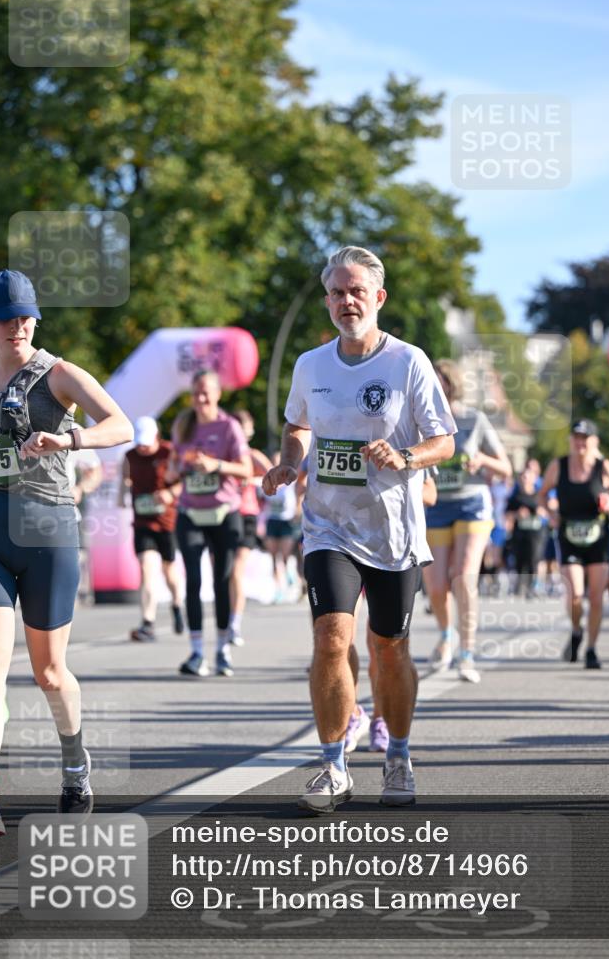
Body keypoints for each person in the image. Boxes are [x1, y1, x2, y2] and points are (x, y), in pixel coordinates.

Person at [263, 246, 456, 814]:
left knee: (388, 650)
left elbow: (444, 440)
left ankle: (397, 754)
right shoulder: (310, 365)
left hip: (393, 534)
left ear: (378, 298)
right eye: (337, 292)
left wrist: (406, 456)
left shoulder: (408, 362)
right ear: (327, 301)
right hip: (328, 525)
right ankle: (332, 765)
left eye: (357, 291)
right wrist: (290, 462)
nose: (347, 301)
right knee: (330, 639)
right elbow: (297, 425)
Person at [0, 270, 132, 837]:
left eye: (25, 316)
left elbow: (119, 425)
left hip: (47, 533)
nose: (17, 326)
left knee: (47, 671)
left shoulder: (58, 373)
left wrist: (68, 439)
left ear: (36, 317)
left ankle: (74, 763)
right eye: (4, 316)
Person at [422, 359, 512, 684]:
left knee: (463, 578)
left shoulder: (474, 420)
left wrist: (482, 459)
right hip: (435, 507)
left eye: (439, 381)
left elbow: (506, 469)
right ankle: (446, 636)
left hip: (472, 505)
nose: (434, 386)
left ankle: (467, 653)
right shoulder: (422, 420)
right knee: (435, 587)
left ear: (450, 383)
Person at [345, 468, 439, 755]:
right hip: (341, 540)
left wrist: (385, 493)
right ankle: (351, 713)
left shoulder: (409, 429)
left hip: (391, 548)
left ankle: (381, 718)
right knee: (337, 638)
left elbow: (430, 494)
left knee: (380, 644)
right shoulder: (335, 425)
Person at [169, 370, 252, 678]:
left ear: (218, 394)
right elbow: (173, 468)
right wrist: (179, 468)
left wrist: (215, 465)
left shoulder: (229, 426)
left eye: (206, 392)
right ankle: (196, 652)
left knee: (221, 581)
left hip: (223, 513)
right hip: (190, 512)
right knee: (192, 581)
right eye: (196, 393)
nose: (201, 398)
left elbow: (245, 468)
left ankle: (221, 650)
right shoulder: (183, 425)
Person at [537, 419, 609, 669]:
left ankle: (592, 649)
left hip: (598, 534)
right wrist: (550, 515)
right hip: (568, 533)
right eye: (576, 437)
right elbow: (541, 495)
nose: (580, 442)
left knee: (595, 597)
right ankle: (576, 630)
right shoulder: (558, 466)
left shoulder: (604, 467)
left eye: (585, 438)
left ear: (594, 442)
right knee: (575, 594)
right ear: (571, 441)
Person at [120, 416, 185, 641]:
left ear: (157, 437)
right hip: (142, 521)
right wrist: (122, 495)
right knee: (147, 568)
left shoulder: (169, 452)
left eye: (147, 443)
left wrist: (170, 493)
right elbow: (125, 479)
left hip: (168, 521)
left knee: (169, 570)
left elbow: (184, 480)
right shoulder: (129, 456)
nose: (143, 448)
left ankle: (177, 605)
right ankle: (147, 622)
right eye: (139, 443)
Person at [228, 409, 271, 645]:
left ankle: (235, 623)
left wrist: (251, 480)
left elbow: (276, 479)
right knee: (223, 573)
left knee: (236, 570)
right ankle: (225, 620)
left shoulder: (252, 455)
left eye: (243, 430)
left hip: (246, 514)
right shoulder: (223, 455)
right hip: (223, 515)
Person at [264, 451, 302, 603]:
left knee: (285, 555)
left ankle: (290, 578)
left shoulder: (290, 481)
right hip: (272, 520)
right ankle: (278, 589)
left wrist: (298, 510)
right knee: (274, 557)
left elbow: (300, 492)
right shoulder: (268, 480)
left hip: (287, 521)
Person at [67, 440, 102, 605]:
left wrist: (79, 489)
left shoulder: (70, 427)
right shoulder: (1, 419)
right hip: (14, 516)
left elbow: (95, 471)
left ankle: (79, 593)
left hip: (62, 515)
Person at [505, 462, 548, 597]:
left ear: (534, 478)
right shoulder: (515, 497)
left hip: (536, 533)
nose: (524, 479)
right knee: (519, 559)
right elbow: (507, 514)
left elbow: (547, 511)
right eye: (522, 477)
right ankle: (520, 585)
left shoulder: (538, 495)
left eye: (527, 477)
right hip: (520, 532)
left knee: (534, 558)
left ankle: (534, 585)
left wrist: (539, 512)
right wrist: (518, 514)